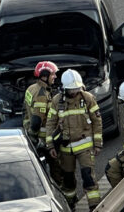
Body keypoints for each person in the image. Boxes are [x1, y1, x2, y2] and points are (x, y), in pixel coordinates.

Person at [45, 69, 104, 210]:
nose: (74, 92)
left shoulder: (87, 98)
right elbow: (50, 123)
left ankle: (94, 205)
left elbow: (97, 121)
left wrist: (97, 144)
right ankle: (70, 204)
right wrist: (50, 146)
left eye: (77, 88)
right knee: (68, 179)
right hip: (65, 148)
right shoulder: (57, 101)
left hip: (85, 145)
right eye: (71, 89)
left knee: (88, 176)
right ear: (64, 88)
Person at [23, 60, 62, 184]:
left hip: (31, 133)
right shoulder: (42, 95)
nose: (55, 77)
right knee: (57, 167)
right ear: (44, 76)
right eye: (53, 74)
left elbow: (25, 111)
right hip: (44, 138)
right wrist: (35, 137)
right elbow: (37, 119)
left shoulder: (31, 88)